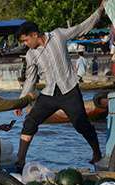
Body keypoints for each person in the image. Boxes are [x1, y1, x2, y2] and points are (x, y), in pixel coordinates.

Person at [14, 1, 106, 172]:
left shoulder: (58, 35)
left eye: (26, 40)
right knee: (30, 122)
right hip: (49, 93)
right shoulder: (30, 55)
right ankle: (20, 162)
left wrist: (99, 11)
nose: (25, 44)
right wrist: (22, 101)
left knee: (81, 124)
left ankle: (96, 153)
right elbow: (30, 80)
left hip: (69, 90)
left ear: (34, 34)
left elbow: (81, 27)